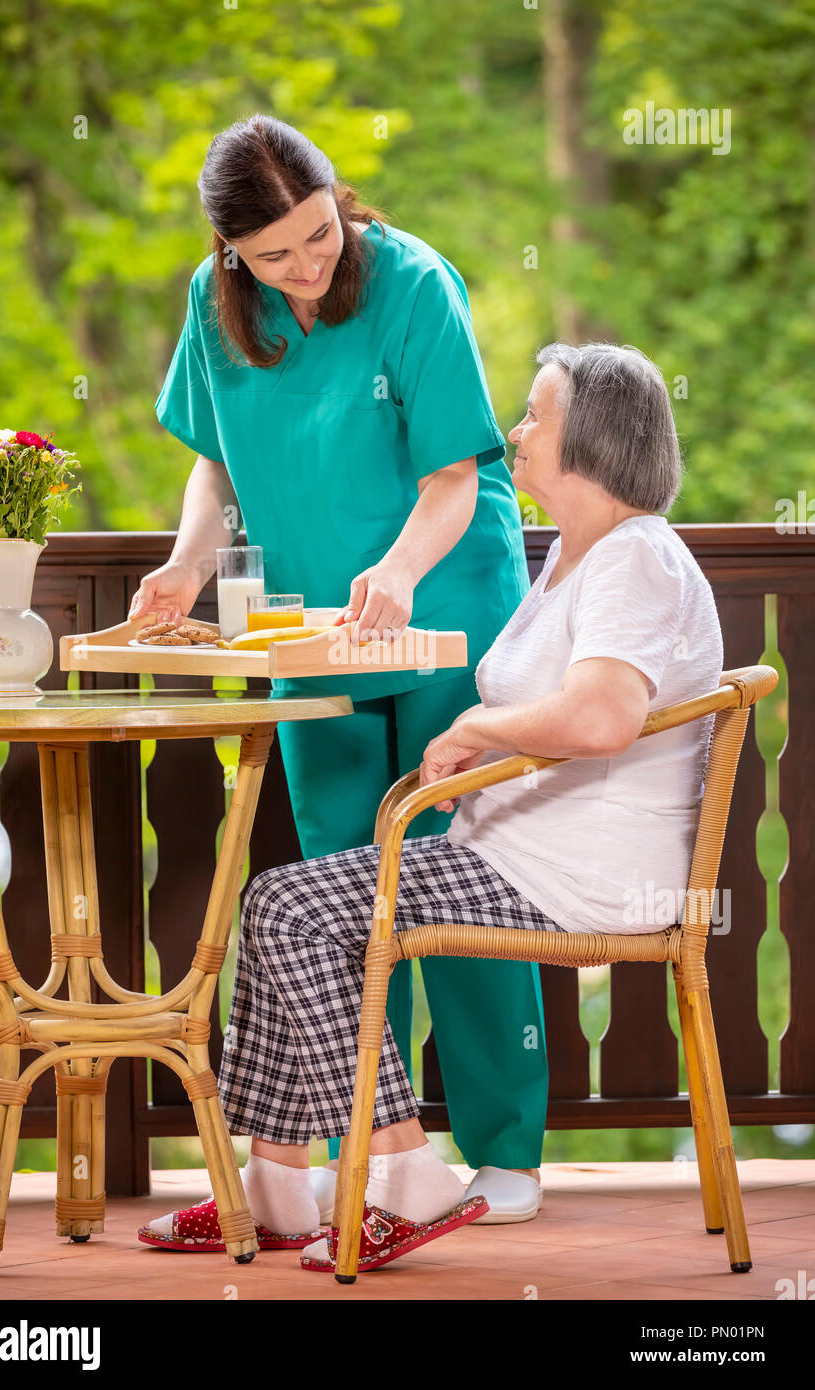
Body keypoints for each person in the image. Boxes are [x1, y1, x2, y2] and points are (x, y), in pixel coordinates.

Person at [138, 341, 723, 1273]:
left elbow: (607, 715)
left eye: (535, 417)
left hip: (574, 882)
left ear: (595, 443)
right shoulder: (581, 557)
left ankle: (406, 1169)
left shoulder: (635, 561)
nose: (512, 433)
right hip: (515, 861)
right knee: (286, 902)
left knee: (289, 908)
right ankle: (279, 1186)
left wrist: (482, 729)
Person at [130, 113, 547, 1223]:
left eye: (319, 236)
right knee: (340, 885)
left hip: (443, 599)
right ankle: (369, 1147)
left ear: (338, 204)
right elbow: (214, 467)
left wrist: (401, 573)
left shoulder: (412, 283)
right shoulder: (213, 311)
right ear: (233, 256)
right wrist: (183, 567)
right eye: (277, 256)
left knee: (457, 868)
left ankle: (504, 1151)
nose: (307, 268)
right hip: (310, 629)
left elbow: (454, 476)